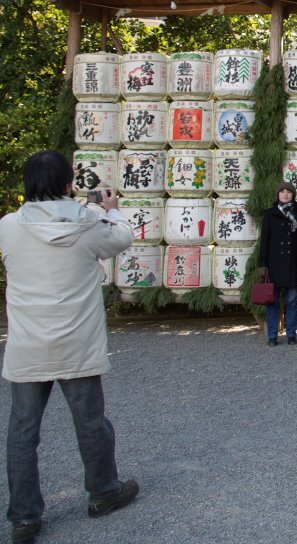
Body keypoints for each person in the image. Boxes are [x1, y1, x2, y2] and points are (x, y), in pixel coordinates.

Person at [0, 151, 139, 544]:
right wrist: (112, 209)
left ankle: (24, 518)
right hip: (76, 339)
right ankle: (103, 492)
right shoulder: (88, 224)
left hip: (28, 342)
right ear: (67, 183)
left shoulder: (8, 226)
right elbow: (122, 238)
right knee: (91, 424)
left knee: (23, 432)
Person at [257, 181, 297, 346]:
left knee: (292, 301)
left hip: (292, 264)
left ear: (293, 195)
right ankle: (272, 336)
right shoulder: (270, 214)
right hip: (274, 264)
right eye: (282, 192)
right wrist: (262, 264)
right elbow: (264, 240)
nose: (285, 194)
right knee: (273, 302)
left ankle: (291, 334)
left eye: (289, 192)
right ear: (278, 194)